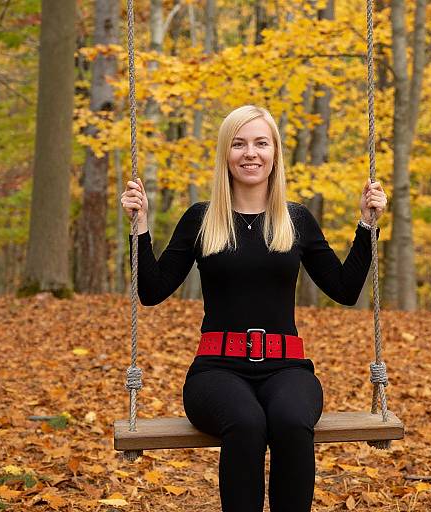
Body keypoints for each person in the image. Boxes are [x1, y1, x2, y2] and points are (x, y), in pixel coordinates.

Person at [121, 105, 387, 512]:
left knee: (291, 420)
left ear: (275, 153)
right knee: (246, 423)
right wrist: (139, 228)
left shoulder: (295, 220)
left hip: (287, 369)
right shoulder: (202, 219)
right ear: (226, 154)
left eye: (261, 143)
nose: (251, 153)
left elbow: (345, 289)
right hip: (216, 370)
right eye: (239, 143)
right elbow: (153, 290)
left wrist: (367, 227)